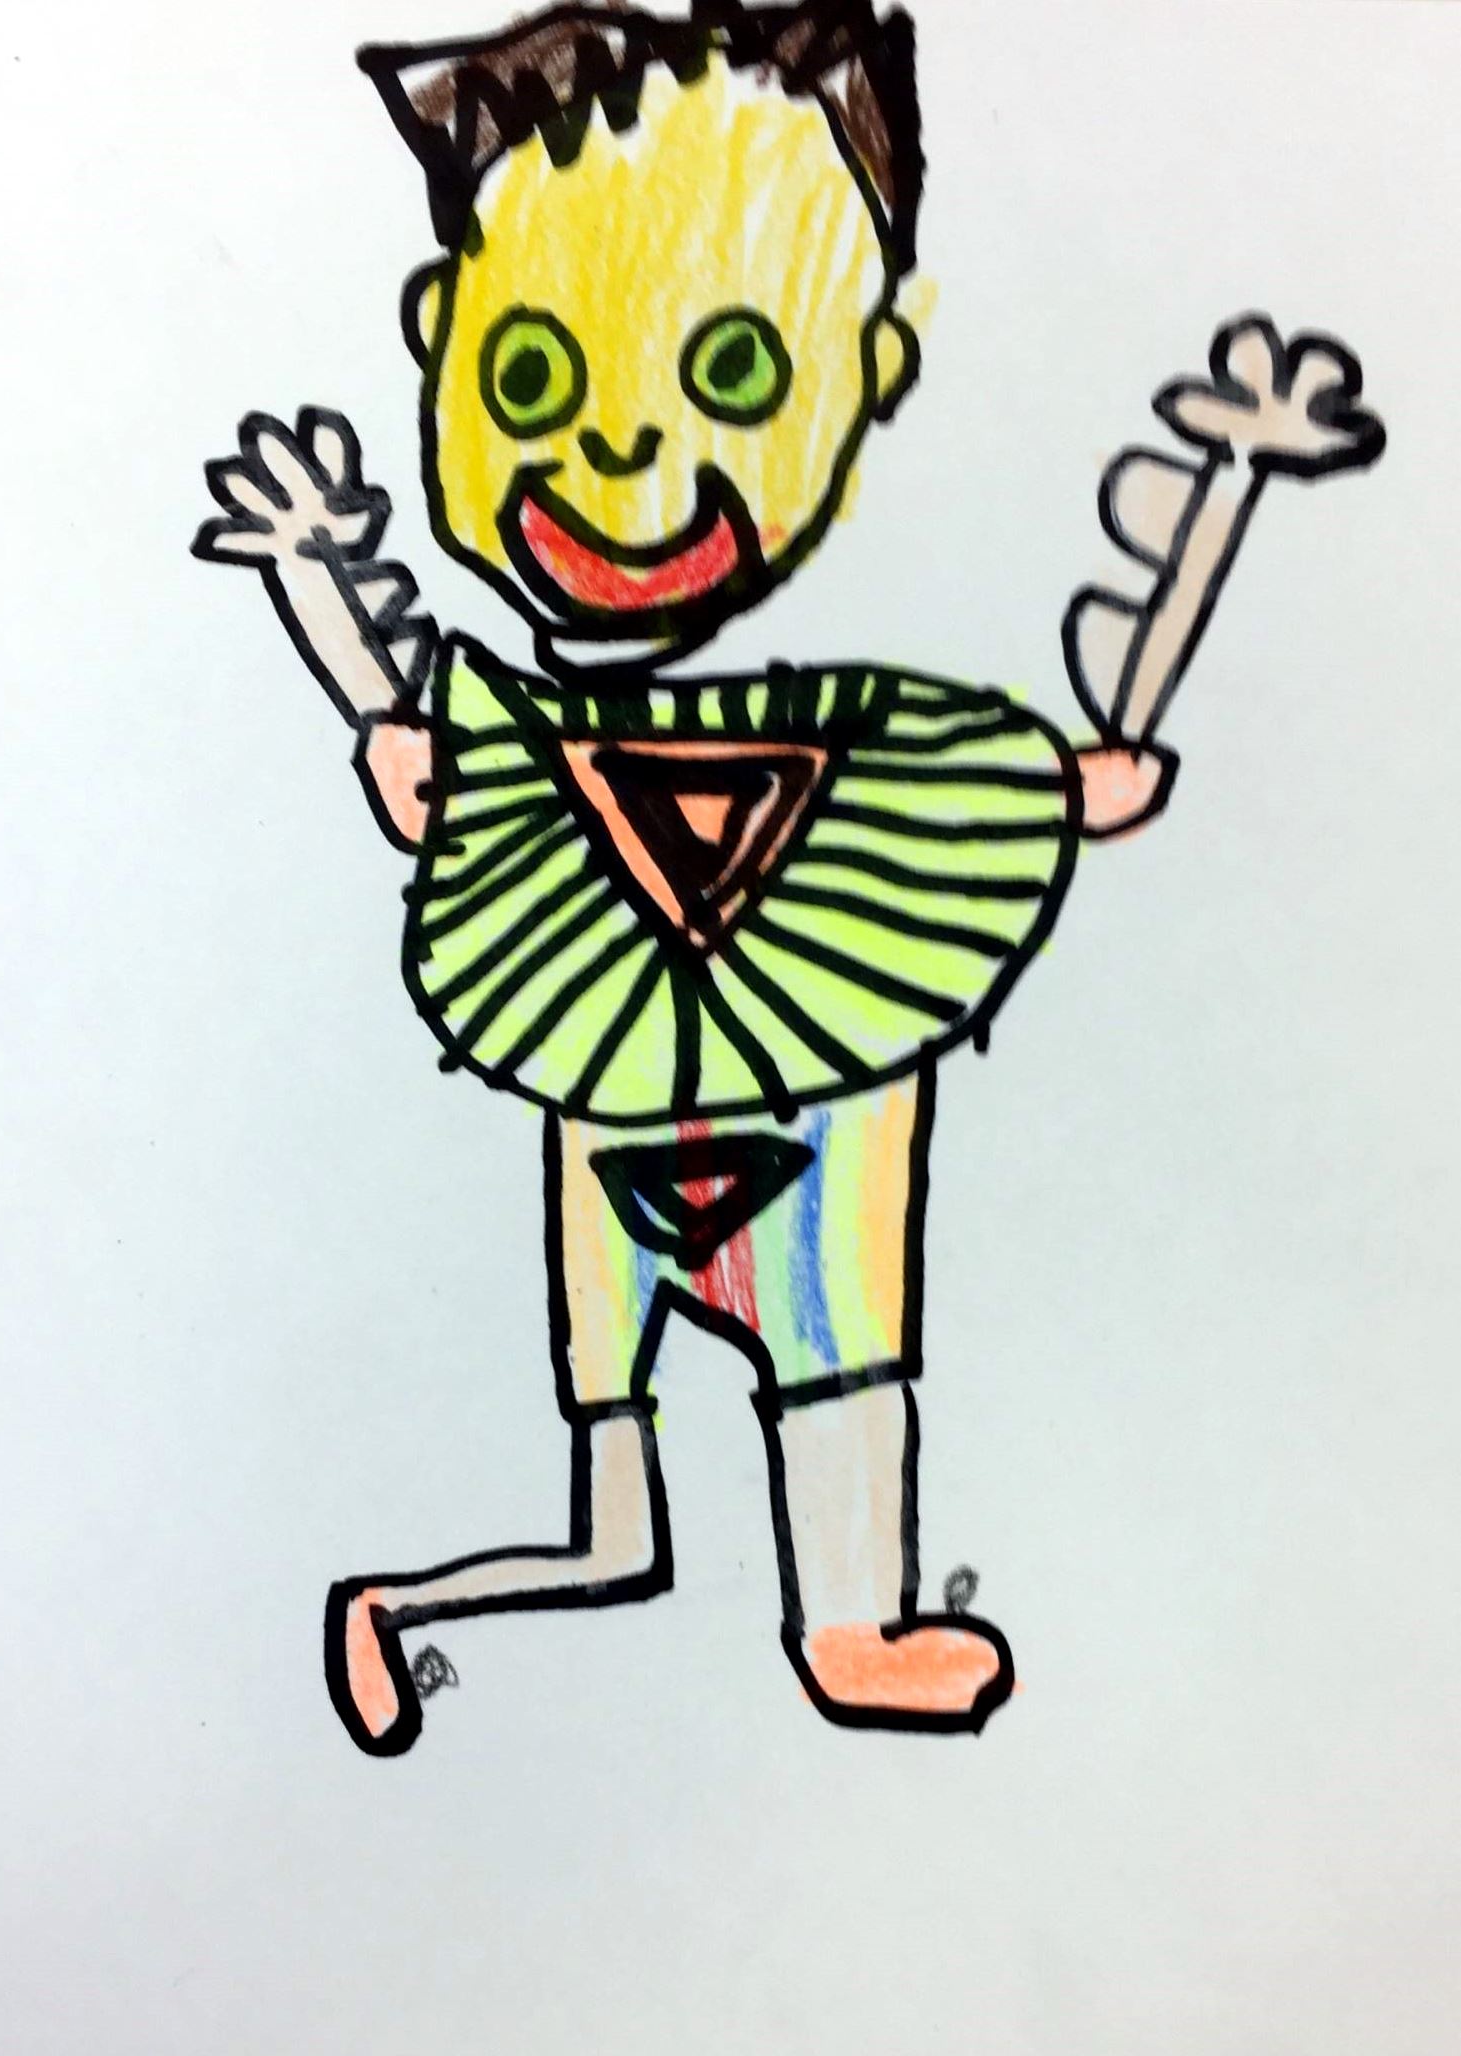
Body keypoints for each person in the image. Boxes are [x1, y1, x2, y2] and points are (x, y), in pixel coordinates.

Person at [194, 0, 1375, 1756]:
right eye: (530, 383)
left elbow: (1066, 783)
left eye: (733, 371)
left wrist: (1206, 519)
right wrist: (331, 605)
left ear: (869, 366)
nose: (619, 455)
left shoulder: (882, 737)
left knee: (801, 1417)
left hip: (807, 1135)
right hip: (619, 1116)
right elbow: (422, 764)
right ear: (441, 341)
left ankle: (846, 1628)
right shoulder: (527, 744)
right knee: (616, 1532)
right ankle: (405, 1608)